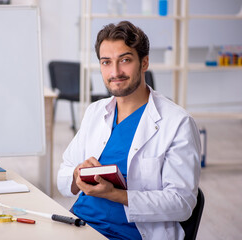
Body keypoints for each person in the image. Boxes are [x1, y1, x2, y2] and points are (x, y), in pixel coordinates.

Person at [57, 21, 201, 240]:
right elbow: (63, 175)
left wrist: (116, 195)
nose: (115, 72)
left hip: (129, 234)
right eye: (106, 62)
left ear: (144, 63)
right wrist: (77, 173)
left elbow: (182, 204)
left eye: (125, 60)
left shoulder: (177, 123)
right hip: (78, 224)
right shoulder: (95, 112)